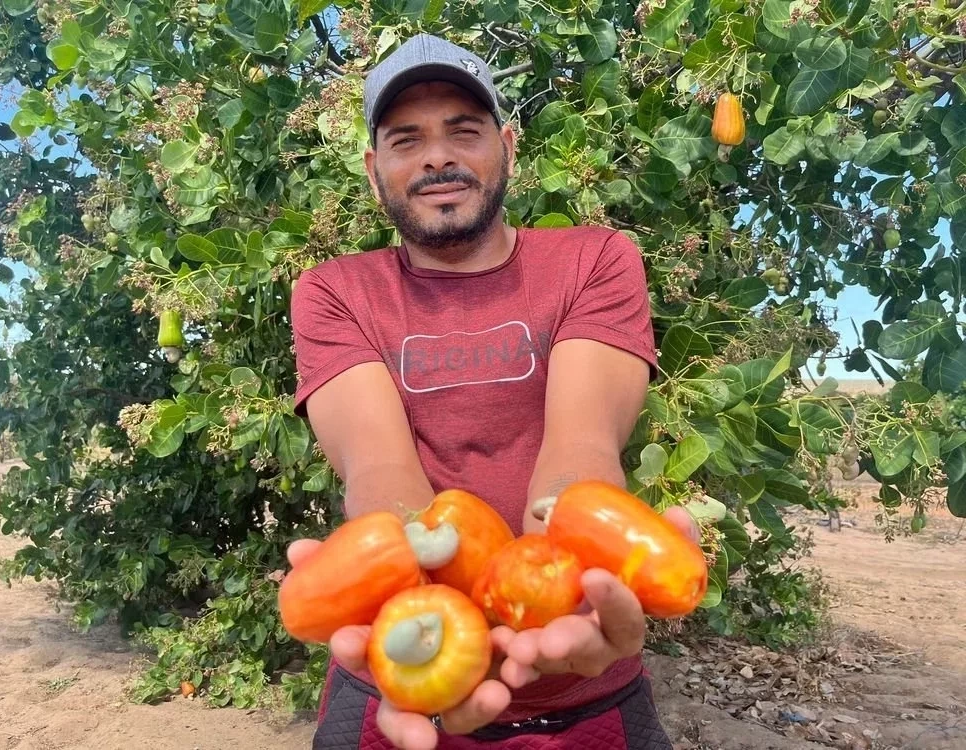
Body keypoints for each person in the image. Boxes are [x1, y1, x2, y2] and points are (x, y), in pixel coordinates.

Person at [286, 32, 699, 750]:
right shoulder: (334, 292)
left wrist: (542, 602)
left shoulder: (595, 260)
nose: (437, 156)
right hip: (404, 672)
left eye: (464, 131)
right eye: (406, 139)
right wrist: (437, 627)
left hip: (587, 693)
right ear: (371, 168)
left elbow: (580, 450)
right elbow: (378, 468)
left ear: (508, 145)